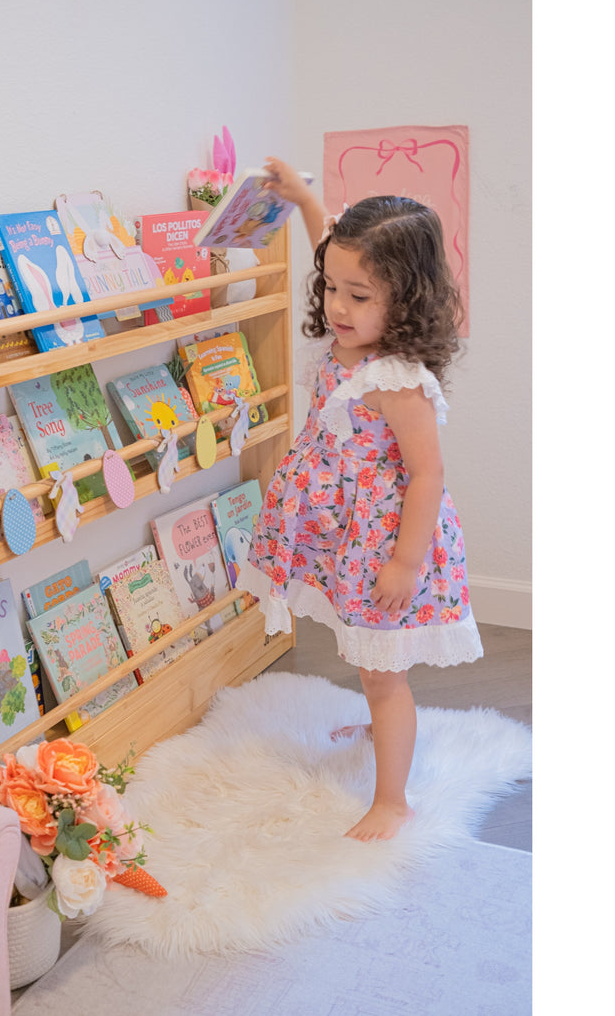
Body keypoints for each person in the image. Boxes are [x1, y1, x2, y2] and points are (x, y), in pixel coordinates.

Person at [236, 157, 483, 841]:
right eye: (332, 288)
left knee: (383, 671)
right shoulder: (349, 340)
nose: (338, 307)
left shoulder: (399, 380)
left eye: (359, 295)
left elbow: (427, 476)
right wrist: (302, 197)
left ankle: (392, 801)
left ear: (404, 300)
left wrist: (405, 564)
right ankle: (380, 719)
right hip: (341, 532)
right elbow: (329, 242)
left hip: (385, 538)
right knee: (363, 650)